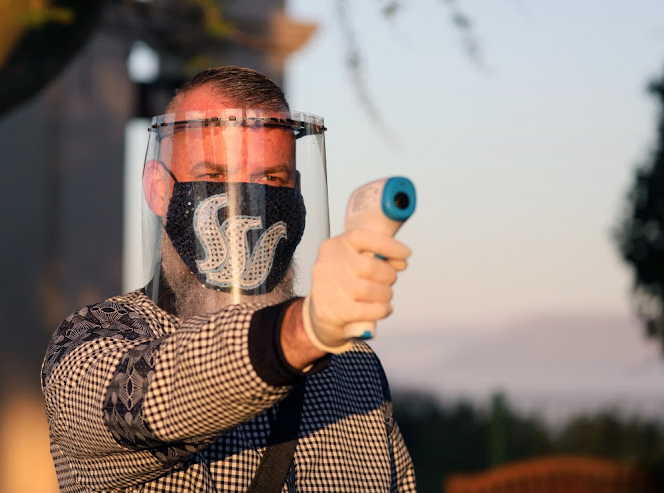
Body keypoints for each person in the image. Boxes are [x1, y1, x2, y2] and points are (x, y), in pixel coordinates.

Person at [41, 66, 416, 492]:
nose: (246, 202)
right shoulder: (95, 336)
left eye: (270, 179)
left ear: (296, 193)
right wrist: (304, 329)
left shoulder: (355, 370)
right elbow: (145, 404)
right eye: (215, 176)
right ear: (158, 190)